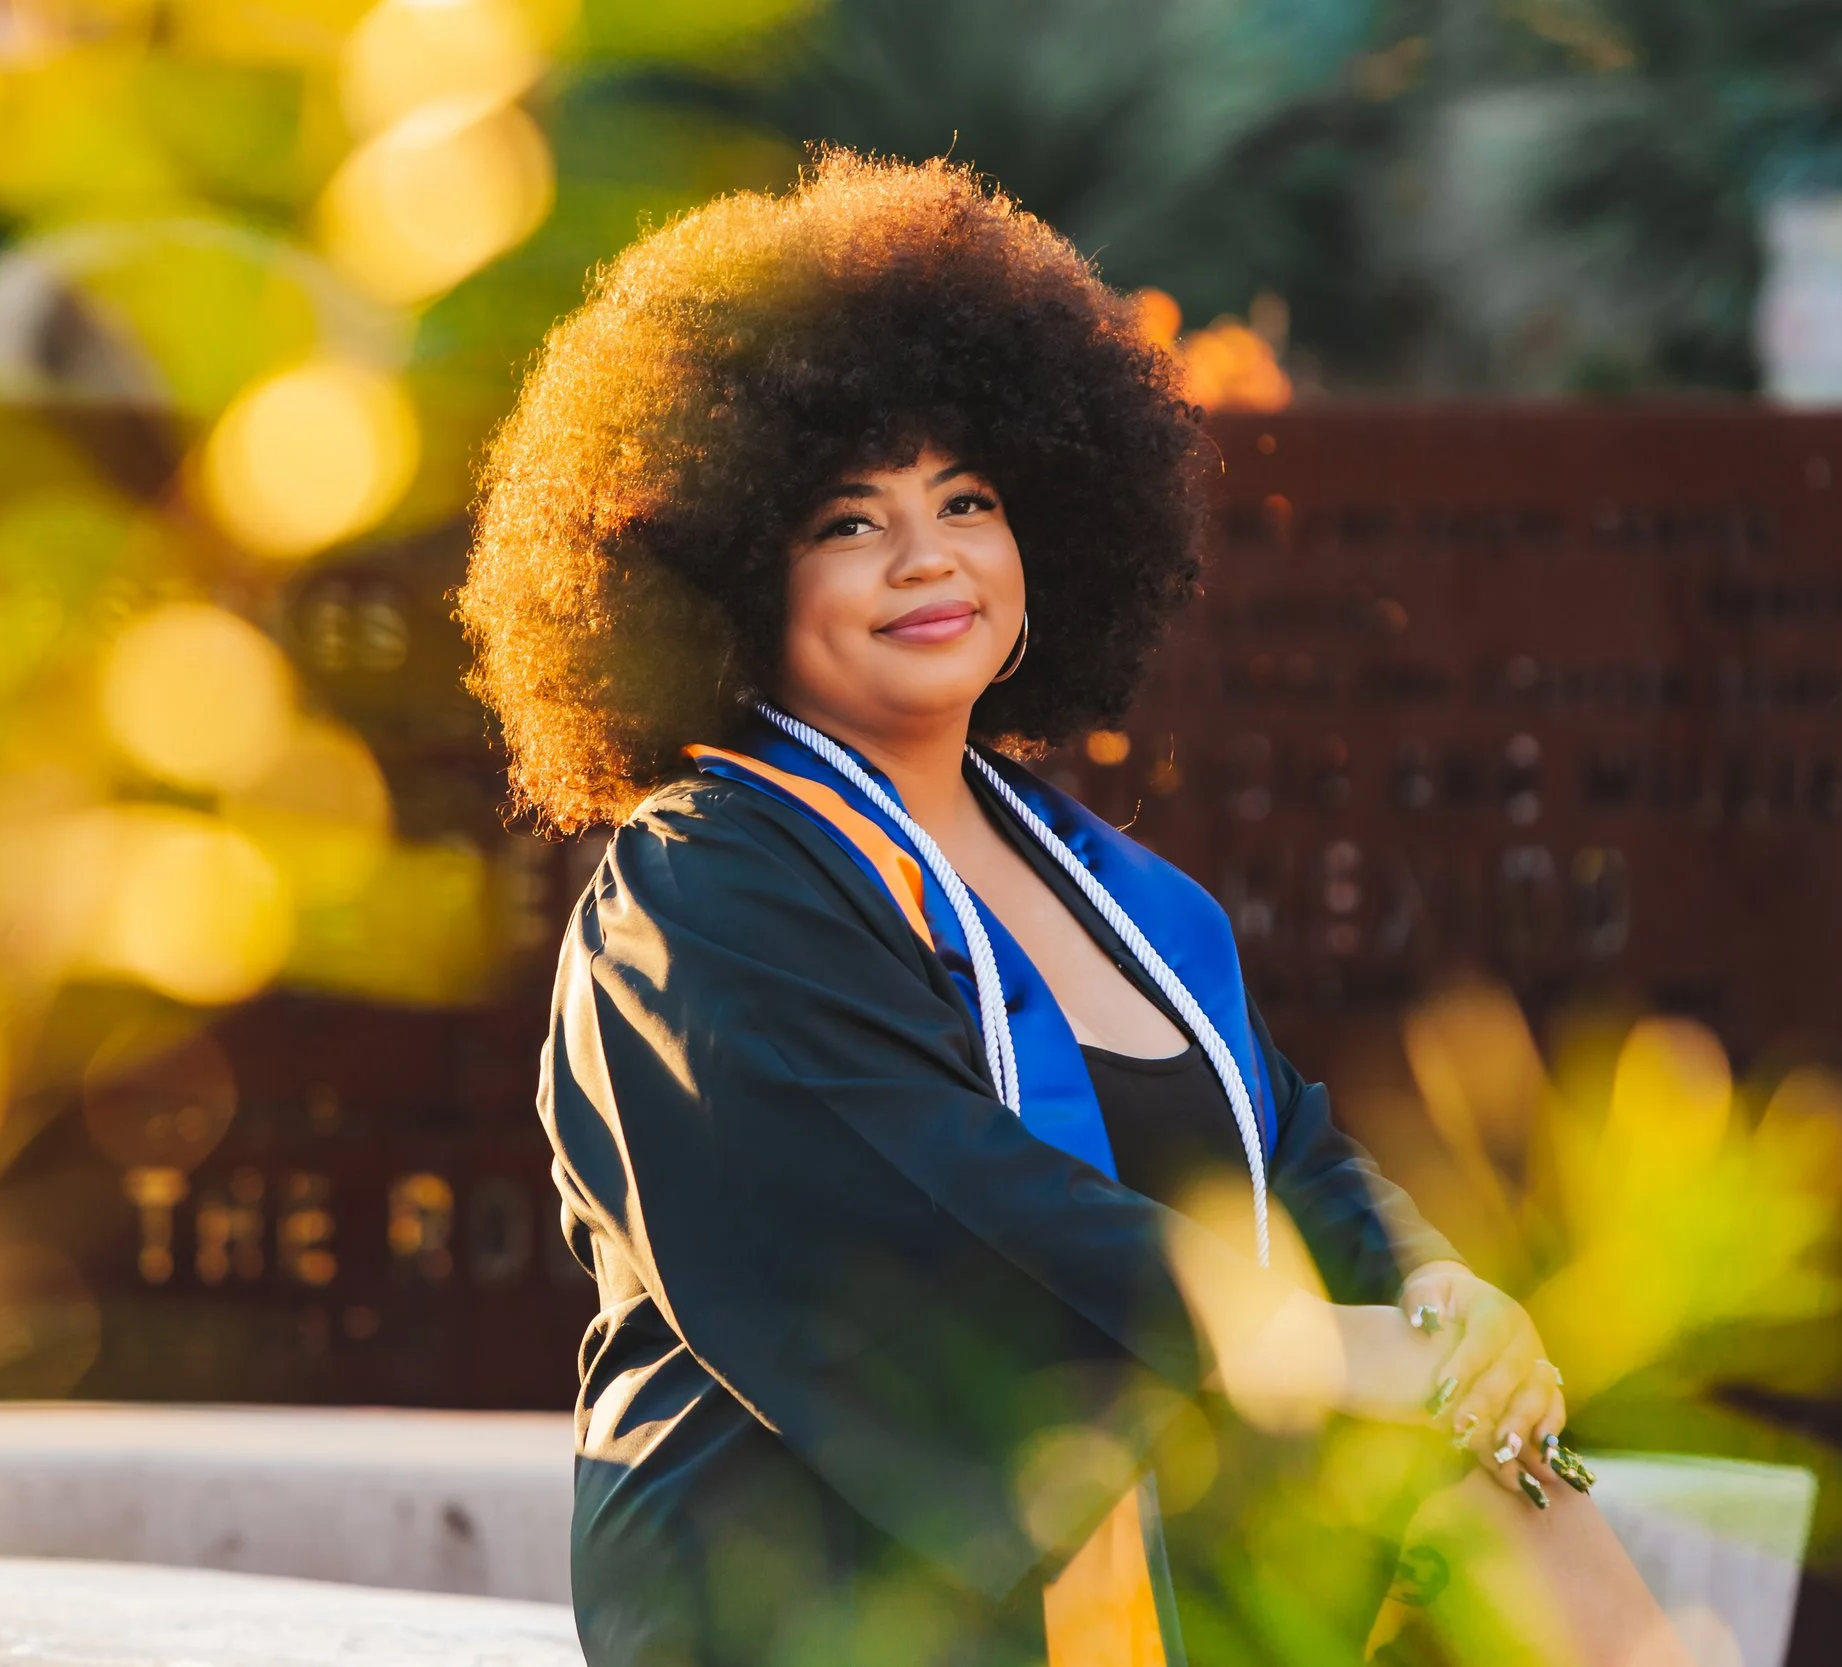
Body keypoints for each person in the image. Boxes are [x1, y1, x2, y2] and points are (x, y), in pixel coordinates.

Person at [457, 152, 1603, 1666]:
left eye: (968, 499)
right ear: (728, 575)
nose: (928, 556)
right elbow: (924, 1221)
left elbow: (1291, 1155)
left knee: (1539, 1520)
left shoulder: (1123, 894)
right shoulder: (703, 888)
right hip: (815, 1611)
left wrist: (1442, 1294)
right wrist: (1317, 1350)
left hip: (1144, 1600)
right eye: (847, 522)